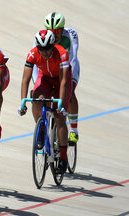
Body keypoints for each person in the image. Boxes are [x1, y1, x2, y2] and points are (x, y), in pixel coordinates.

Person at [19, 29, 72, 173]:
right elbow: (25, 80)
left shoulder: (62, 54)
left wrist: (60, 103)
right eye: (41, 50)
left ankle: (63, 157)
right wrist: (23, 102)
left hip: (61, 79)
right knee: (37, 99)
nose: (45, 53)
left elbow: (63, 81)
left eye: (48, 49)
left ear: (53, 45)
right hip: (46, 78)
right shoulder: (32, 54)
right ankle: (41, 130)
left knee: (59, 116)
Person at [43, 12, 80, 143]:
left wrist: (68, 82)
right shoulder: (42, 38)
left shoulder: (70, 35)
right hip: (51, 69)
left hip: (69, 67)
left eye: (57, 31)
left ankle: (74, 130)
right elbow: (35, 67)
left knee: (69, 94)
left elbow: (74, 58)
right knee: (44, 95)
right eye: (51, 31)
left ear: (63, 28)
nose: (54, 34)